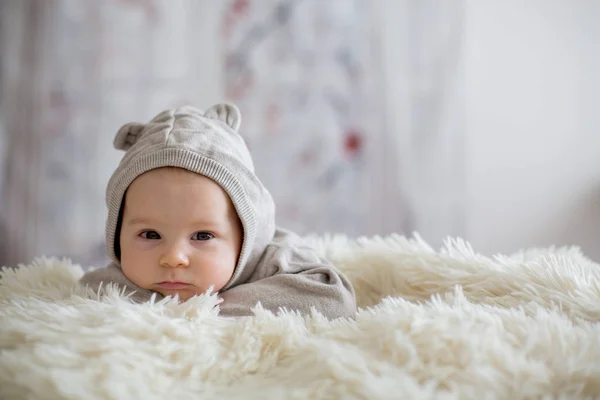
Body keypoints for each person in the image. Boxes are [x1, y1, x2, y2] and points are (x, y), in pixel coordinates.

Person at [80, 103, 356, 319]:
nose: (173, 258)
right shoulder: (121, 279)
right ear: (117, 234)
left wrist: (208, 310)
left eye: (202, 236)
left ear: (245, 234)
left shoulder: (275, 258)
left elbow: (333, 298)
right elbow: (92, 288)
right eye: (150, 234)